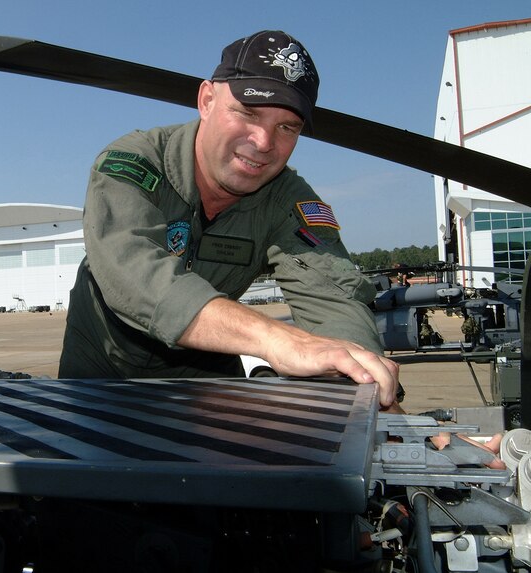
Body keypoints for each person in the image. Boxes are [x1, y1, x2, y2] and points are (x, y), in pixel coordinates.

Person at [58, 31, 399, 409]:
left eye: (288, 127)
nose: (264, 142)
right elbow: (133, 272)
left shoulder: (288, 200)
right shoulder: (134, 162)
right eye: (248, 112)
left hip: (204, 372)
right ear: (207, 100)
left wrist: (358, 372)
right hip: (100, 369)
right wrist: (276, 339)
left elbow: (336, 296)